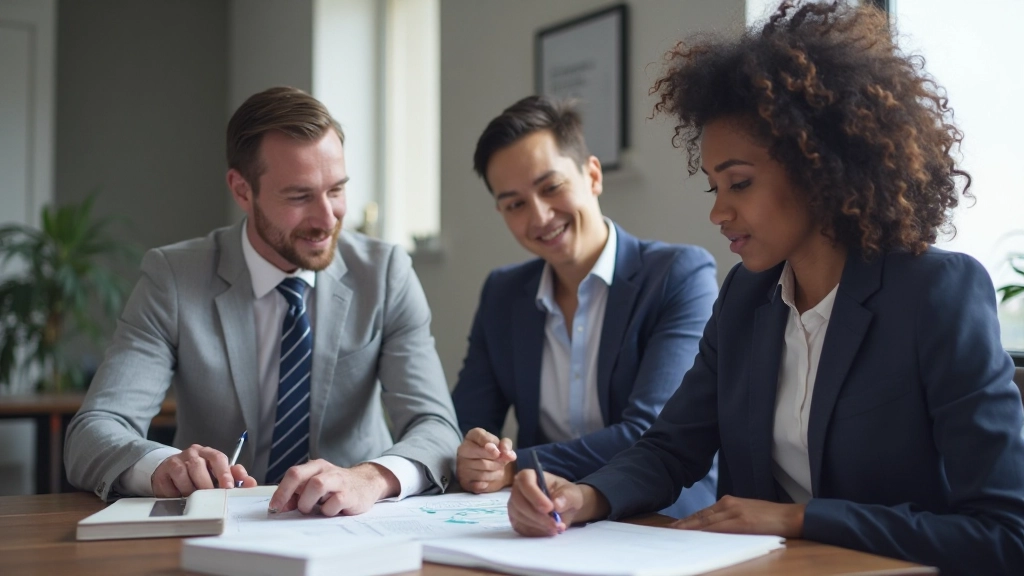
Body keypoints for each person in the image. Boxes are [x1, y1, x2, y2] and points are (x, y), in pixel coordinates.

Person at [505, 2, 1024, 574]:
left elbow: (1003, 533)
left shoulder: (937, 294)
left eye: (740, 183)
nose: (719, 213)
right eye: (713, 188)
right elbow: (670, 448)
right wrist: (584, 498)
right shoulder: (746, 298)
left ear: (820, 168)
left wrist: (800, 517)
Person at [65, 86, 462, 517]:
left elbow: (437, 428)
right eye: (299, 196)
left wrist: (371, 477)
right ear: (241, 190)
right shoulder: (174, 278)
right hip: (219, 524)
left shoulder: (385, 274)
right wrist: (162, 466)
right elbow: (92, 432)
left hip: (351, 525)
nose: (327, 219)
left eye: (336, 190)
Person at [452, 95, 719, 517]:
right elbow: (466, 423)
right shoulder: (502, 294)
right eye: (515, 204)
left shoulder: (678, 275)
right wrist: (475, 456)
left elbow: (649, 433)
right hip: (539, 517)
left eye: (551, 187)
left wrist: (519, 465)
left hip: (659, 517)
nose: (538, 216)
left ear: (592, 175)